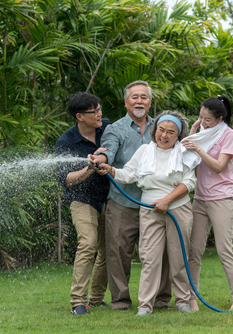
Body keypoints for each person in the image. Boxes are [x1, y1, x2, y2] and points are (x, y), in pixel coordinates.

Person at [97, 110, 196, 316]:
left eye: (171, 132)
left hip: (178, 208)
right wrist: (110, 170)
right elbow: (129, 174)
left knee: (178, 258)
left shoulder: (184, 152)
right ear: (155, 130)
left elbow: (189, 182)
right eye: (161, 130)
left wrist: (167, 200)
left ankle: (182, 301)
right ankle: (145, 305)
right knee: (149, 258)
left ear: (178, 135)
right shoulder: (144, 150)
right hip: (149, 209)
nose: (164, 135)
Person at [90, 81, 171, 311]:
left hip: (156, 202)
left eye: (144, 97)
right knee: (118, 254)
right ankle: (121, 302)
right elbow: (107, 150)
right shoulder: (115, 129)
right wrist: (101, 159)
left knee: (160, 253)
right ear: (126, 102)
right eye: (134, 97)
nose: (139, 101)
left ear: (150, 102)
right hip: (122, 202)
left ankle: (161, 300)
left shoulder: (162, 127)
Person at [181, 95, 233, 311]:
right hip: (200, 199)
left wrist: (198, 148)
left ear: (219, 119)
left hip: (222, 199)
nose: (202, 122)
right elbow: (187, 159)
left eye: (207, 119)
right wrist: (193, 133)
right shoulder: (202, 133)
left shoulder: (229, 135)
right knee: (194, 250)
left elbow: (219, 166)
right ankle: (191, 298)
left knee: (224, 250)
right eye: (200, 117)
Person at [54, 92, 110, 315]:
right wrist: (89, 168)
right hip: (82, 199)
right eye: (94, 111)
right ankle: (78, 301)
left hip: (110, 197)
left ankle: (96, 299)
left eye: (99, 109)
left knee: (108, 249)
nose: (99, 114)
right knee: (88, 243)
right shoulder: (66, 142)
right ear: (79, 116)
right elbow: (65, 179)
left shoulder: (106, 128)